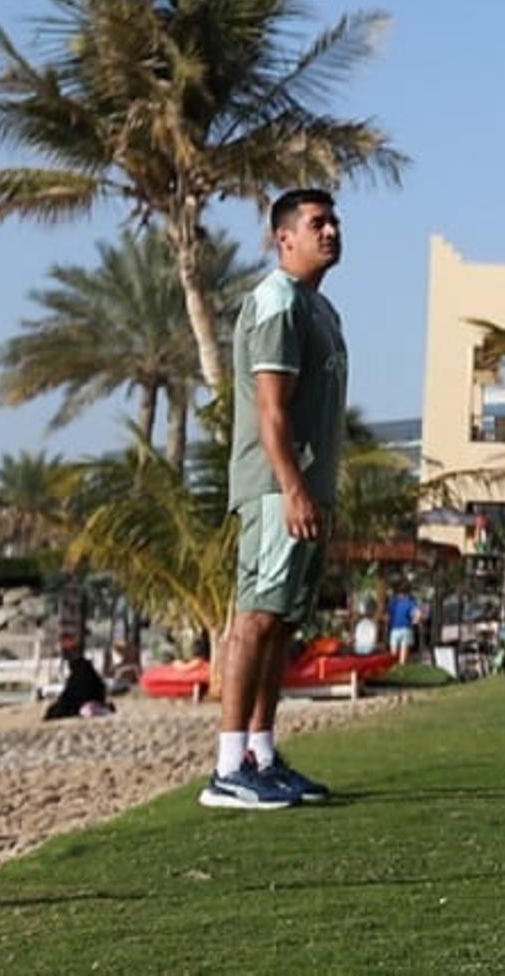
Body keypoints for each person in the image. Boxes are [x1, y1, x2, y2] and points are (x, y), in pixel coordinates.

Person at [202, 188, 348, 811]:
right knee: (256, 619)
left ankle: (262, 753)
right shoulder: (276, 302)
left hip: (308, 491)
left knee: (283, 622)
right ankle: (228, 766)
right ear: (284, 237)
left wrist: (316, 491)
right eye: (318, 223)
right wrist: (291, 487)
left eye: (334, 220)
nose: (332, 231)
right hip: (274, 491)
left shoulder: (319, 309)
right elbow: (270, 411)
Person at [43, 633, 111, 721]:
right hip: (87, 700)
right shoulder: (83, 668)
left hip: (85, 702)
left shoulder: (81, 670)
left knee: (56, 710)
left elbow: (71, 694)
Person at [387, 580, 419, 665]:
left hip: (394, 630)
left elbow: (388, 616)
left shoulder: (393, 602)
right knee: (403, 659)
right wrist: (415, 621)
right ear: (408, 592)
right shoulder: (410, 602)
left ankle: (394, 672)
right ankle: (402, 671)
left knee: (393, 656)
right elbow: (417, 614)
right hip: (406, 629)